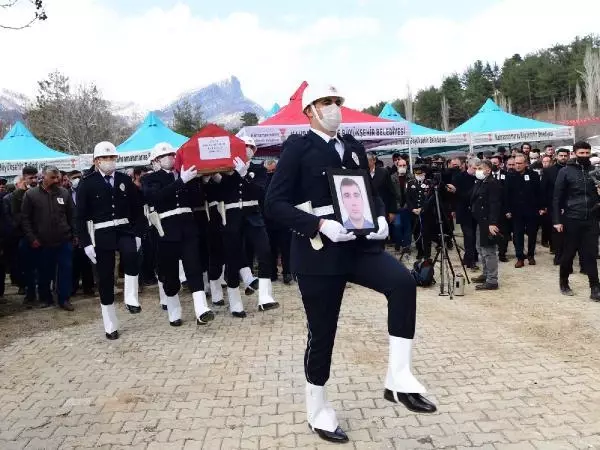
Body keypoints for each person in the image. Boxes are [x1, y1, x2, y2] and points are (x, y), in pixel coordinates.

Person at [264, 83, 435, 444]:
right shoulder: (298, 147)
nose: (334, 108)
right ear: (310, 110)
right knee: (323, 332)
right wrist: (319, 224)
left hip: (358, 245)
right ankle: (318, 409)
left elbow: (366, 192)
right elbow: (274, 203)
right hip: (318, 251)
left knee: (402, 282)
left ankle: (398, 377)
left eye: (337, 102)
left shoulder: (354, 147)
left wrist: (380, 217)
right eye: (326, 103)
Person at [77, 141, 145, 340]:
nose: (109, 161)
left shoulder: (124, 179)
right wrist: (86, 243)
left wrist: (139, 233)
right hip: (102, 233)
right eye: (105, 158)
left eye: (112, 158)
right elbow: (79, 217)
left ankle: (131, 298)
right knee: (105, 278)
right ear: (96, 161)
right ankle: (110, 324)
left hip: (124, 229)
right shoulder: (87, 183)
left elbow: (137, 208)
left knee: (132, 255)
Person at [142, 142, 214, 327]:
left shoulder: (185, 174)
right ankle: (174, 311)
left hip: (188, 226)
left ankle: (201, 309)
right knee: (170, 273)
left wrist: (200, 182)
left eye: (172, 155)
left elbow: (197, 200)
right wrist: (181, 181)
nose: (170, 158)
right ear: (156, 160)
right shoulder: (150, 179)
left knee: (194, 268)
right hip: (166, 230)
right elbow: (156, 197)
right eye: (165, 156)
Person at [215, 135, 279, 317]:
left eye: (250, 146)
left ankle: (265, 297)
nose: (246, 149)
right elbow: (218, 193)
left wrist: (244, 175)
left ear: (255, 150)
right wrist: (216, 177)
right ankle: (235, 301)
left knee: (265, 251)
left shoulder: (259, 169)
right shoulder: (227, 169)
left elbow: (260, 192)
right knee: (233, 258)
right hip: (232, 216)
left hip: (253, 214)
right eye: (243, 146)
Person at [21, 166, 76, 311]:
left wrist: (75, 235)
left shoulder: (64, 193)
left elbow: (72, 216)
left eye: (57, 177)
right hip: (42, 242)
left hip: (64, 240)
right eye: (53, 177)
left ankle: (64, 299)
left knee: (66, 269)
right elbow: (25, 219)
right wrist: (32, 238)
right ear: (43, 177)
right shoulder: (31, 195)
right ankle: (46, 298)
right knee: (45, 271)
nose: (56, 180)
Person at [553, 141, 600, 300]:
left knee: (591, 254)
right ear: (574, 153)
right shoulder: (565, 172)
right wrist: (557, 220)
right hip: (572, 218)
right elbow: (557, 198)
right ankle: (564, 282)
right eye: (582, 153)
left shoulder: (594, 171)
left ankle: (595, 288)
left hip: (591, 218)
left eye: (587, 153)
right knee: (568, 253)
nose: (585, 156)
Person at [505, 154, 543, 268]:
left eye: (520, 163)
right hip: (516, 212)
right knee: (518, 235)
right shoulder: (510, 176)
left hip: (532, 210)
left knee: (532, 234)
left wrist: (541, 207)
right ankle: (520, 257)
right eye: (516, 163)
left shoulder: (533, 175)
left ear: (526, 164)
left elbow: (539, 192)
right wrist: (507, 210)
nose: (517, 165)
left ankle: (531, 255)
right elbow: (506, 195)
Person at [470, 160, 501, 290]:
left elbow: (495, 204)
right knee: (480, 249)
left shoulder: (493, 184)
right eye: (476, 168)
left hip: (488, 222)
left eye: (480, 168)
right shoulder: (481, 182)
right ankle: (486, 273)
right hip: (480, 221)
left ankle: (492, 280)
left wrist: (492, 223)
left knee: (489, 251)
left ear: (488, 170)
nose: (477, 171)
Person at [12, 166, 39, 307]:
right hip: (25, 237)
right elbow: (18, 218)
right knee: (27, 268)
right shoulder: (17, 195)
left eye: (35, 177)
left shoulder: (42, 192)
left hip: (42, 236)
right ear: (24, 178)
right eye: (31, 178)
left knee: (42, 267)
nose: (34, 180)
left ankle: (44, 293)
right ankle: (30, 294)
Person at [544, 148, 570, 264]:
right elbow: (543, 189)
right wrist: (544, 205)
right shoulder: (549, 171)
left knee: (569, 231)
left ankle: (568, 255)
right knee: (556, 232)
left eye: (565, 155)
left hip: (570, 205)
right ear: (556, 156)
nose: (563, 157)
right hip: (554, 206)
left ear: (568, 156)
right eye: (561, 155)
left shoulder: (571, 170)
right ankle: (558, 256)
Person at [406, 165, 434, 260]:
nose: (419, 175)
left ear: (424, 173)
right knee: (416, 232)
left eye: (421, 173)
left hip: (425, 212)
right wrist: (412, 209)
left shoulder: (429, 183)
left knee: (426, 233)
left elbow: (431, 198)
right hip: (414, 212)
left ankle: (427, 253)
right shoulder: (410, 183)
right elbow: (408, 198)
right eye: (417, 173)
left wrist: (422, 208)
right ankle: (420, 251)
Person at [389, 157, 412, 253]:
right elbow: (391, 193)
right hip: (396, 208)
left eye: (404, 165)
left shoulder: (411, 177)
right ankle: (398, 243)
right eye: (400, 165)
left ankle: (406, 245)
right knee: (397, 227)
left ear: (406, 166)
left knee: (407, 227)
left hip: (407, 207)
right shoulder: (392, 178)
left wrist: (407, 204)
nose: (402, 167)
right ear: (397, 166)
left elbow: (412, 194)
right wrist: (397, 206)